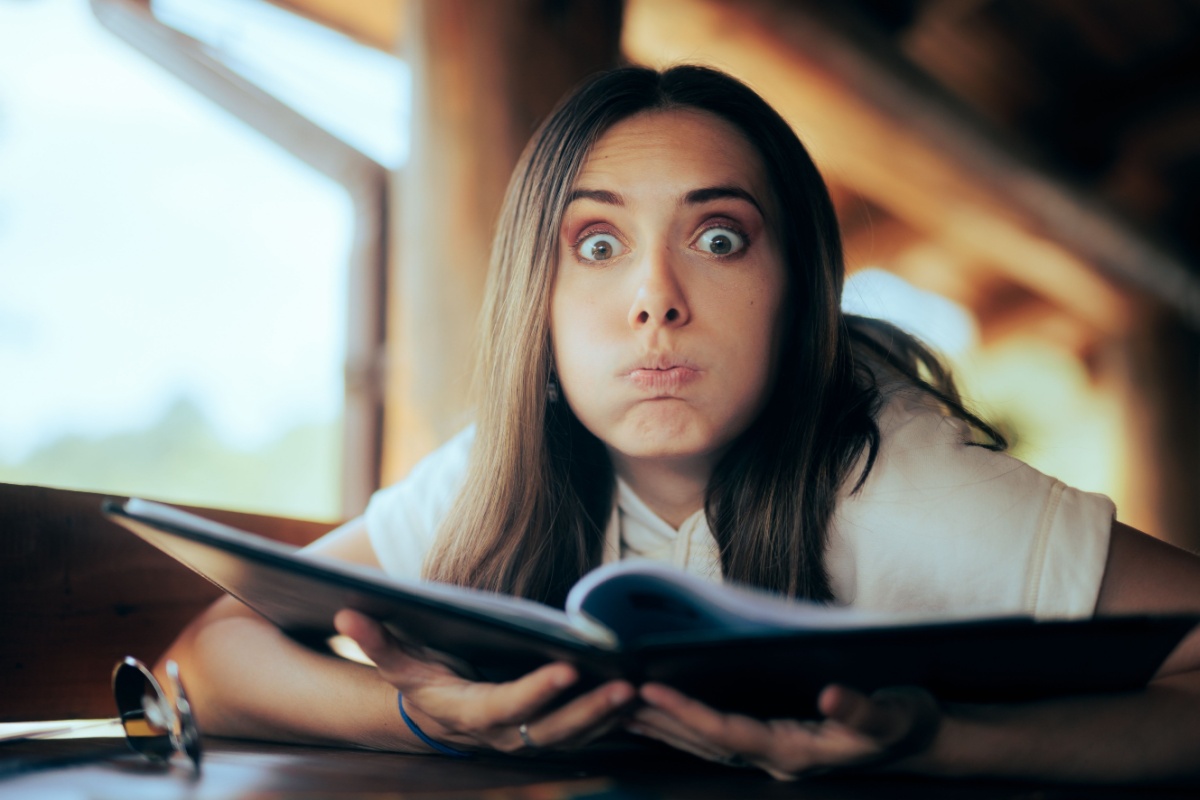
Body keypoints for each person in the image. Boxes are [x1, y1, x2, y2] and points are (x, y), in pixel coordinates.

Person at [159, 65, 1200, 782]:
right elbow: (203, 653)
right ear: (541, 308)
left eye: (717, 235)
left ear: (798, 297)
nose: (654, 296)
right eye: (599, 245)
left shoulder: (905, 484)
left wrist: (936, 742)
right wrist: (424, 719)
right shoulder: (500, 470)